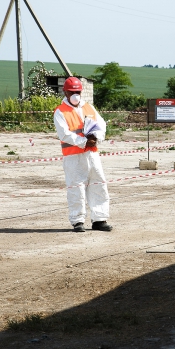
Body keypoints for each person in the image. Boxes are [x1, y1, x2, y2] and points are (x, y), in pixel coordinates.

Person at [53, 76, 112, 232]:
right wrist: (84, 141)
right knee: (76, 187)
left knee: (98, 184)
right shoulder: (60, 111)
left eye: (77, 91)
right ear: (65, 92)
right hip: (73, 156)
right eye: (72, 92)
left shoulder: (88, 107)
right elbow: (64, 134)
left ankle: (99, 219)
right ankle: (78, 221)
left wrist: (96, 138)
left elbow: (101, 125)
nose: (75, 94)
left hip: (91, 154)